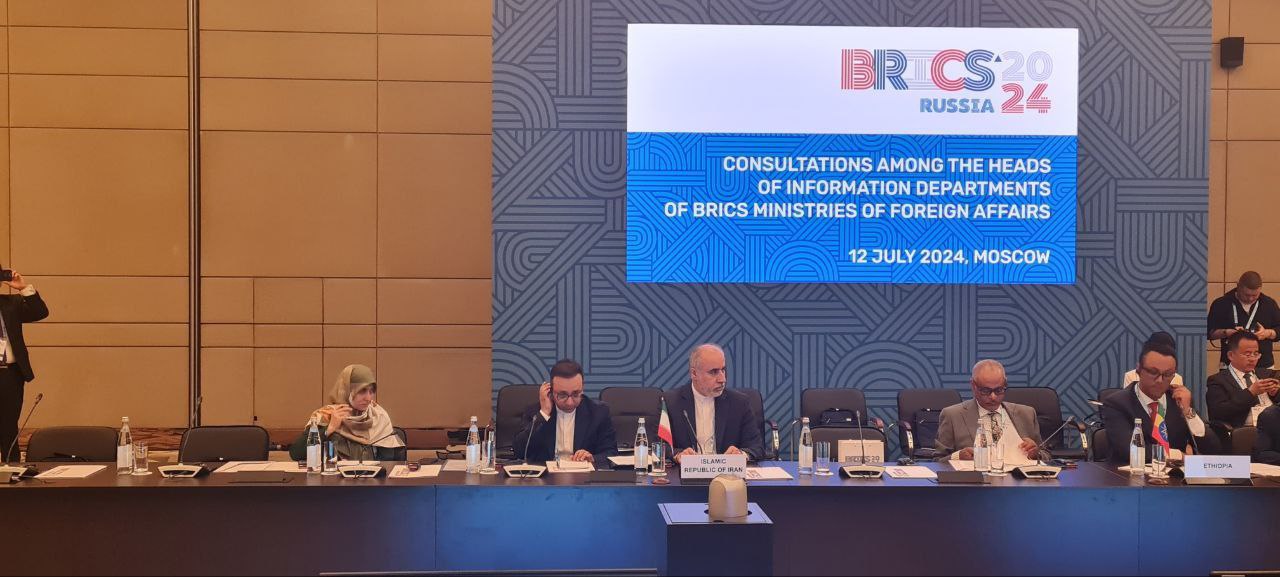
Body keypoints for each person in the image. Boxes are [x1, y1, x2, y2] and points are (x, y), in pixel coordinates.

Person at [1103, 341, 1220, 463]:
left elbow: (1213, 448)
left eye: (1168, 374)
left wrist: (1188, 412)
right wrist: (1178, 455)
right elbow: (1129, 450)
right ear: (1139, 370)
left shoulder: (1177, 400)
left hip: (1176, 474)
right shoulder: (1117, 403)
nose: (1160, 380)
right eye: (1153, 372)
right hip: (1131, 472)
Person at [667, 344, 764, 462]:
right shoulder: (670, 402)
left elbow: (757, 447)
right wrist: (678, 454)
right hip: (686, 471)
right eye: (713, 372)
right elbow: (658, 446)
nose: (722, 379)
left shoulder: (739, 403)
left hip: (727, 471)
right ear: (694, 373)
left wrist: (741, 454)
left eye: (723, 370)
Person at [935, 360, 1045, 463]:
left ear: (1005, 384)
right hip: (976, 476)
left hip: (1018, 476)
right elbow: (938, 461)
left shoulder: (1027, 414)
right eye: (985, 391)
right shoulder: (952, 416)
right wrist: (958, 456)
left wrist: (1036, 454)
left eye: (999, 390)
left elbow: (1047, 456)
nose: (993, 397)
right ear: (973, 386)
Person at [289, 364, 404, 462]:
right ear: (347, 390)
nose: (369, 398)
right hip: (334, 480)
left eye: (371, 391)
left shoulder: (378, 416)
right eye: (362, 391)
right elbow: (297, 454)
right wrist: (329, 429)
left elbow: (391, 463)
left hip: (373, 480)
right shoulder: (326, 416)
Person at [512, 359, 618, 464]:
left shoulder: (598, 412)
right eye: (562, 395)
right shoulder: (536, 412)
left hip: (582, 473)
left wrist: (592, 459)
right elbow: (519, 452)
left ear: (582, 388)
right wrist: (544, 414)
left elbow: (611, 454)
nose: (569, 402)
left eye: (576, 394)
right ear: (551, 391)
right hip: (547, 473)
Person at [0, 270, 48, 463]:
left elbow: (40, 312)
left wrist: (23, 288)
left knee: (8, 425)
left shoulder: (11, 304)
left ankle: (10, 469)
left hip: (9, 374)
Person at [1206, 331, 1280, 441]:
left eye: (1256, 354)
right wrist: (1250, 393)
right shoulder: (1217, 380)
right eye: (1247, 354)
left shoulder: (1267, 374)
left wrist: (1276, 393)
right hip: (1246, 432)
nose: (1252, 358)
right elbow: (1218, 412)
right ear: (1231, 355)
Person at [1208, 271, 1280, 369]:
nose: (1250, 299)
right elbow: (1209, 332)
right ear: (1238, 286)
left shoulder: (1269, 304)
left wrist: (1267, 333)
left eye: (1255, 295)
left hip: (1263, 364)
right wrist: (1226, 332)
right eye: (1246, 295)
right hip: (1230, 364)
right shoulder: (1221, 303)